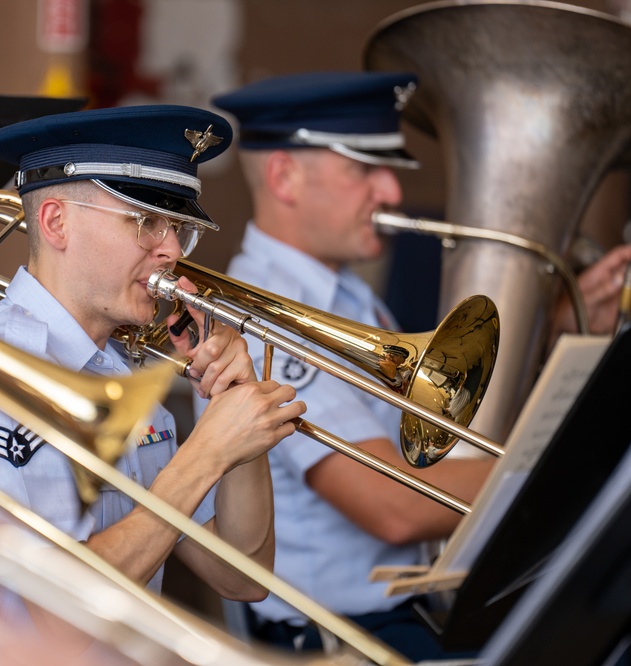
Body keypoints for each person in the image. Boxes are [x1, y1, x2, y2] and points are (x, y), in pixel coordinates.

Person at [207, 70, 631, 660]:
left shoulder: (350, 298)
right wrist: (577, 471)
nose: (393, 192)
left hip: (407, 614)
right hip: (342, 640)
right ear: (284, 177)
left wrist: (554, 328)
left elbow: (444, 438)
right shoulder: (263, 315)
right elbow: (396, 506)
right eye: (364, 169)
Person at [0, 104, 306, 608]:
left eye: (175, 228)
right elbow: (51, 606)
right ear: (57, 223)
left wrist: (233, 411)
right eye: (146, 222)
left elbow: (243, 577)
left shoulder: (118, 374)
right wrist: (204, 455)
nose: (171, 250)